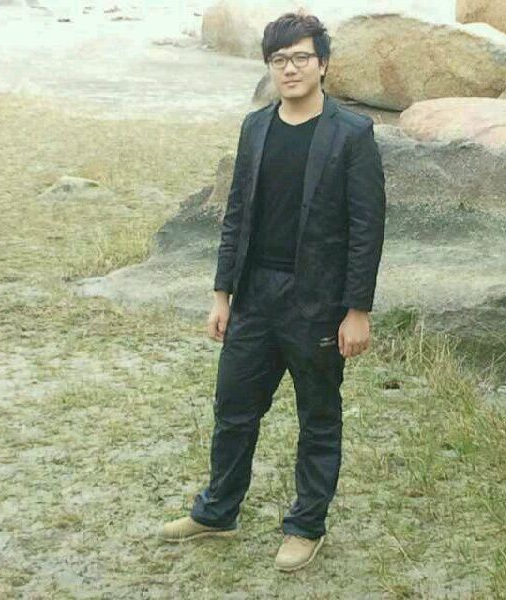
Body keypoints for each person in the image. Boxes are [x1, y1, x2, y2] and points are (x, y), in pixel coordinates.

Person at [159, 10, 386, 572]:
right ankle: (217, 512)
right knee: (234, 408)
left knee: (318, 416)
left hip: (317, 301)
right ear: (269, 66)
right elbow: (237, 214)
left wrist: (357, 310)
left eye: (301, 57)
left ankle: (306, 526)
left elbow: (367, 228)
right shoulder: (255, 127)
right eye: (279, 59)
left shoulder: (352, 134)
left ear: (323, 64)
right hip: (255, 295)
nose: (290, 68)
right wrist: (222, 293)